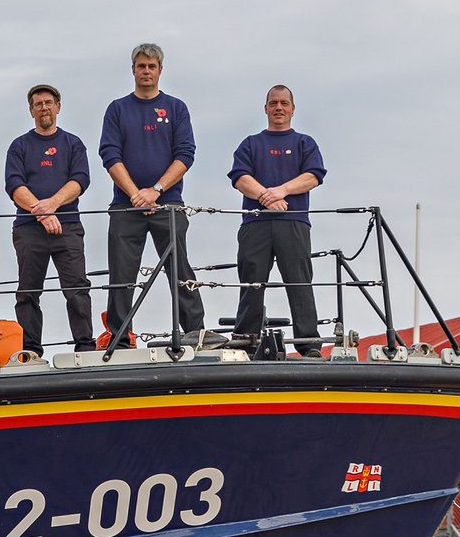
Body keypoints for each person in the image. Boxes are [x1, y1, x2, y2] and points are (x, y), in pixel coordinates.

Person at [97, 42, 204, 346]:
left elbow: (185, 154)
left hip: (168, 203)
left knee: (179, 267)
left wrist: (155, 190)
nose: (146, 71)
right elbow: (109, 154)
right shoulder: (118, 109)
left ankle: (196, 330)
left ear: (160, 70)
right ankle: (119, 334)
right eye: (141, 66)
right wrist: (135, 195)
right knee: (121, 272)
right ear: (133, 70)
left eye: (151, 66)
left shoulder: (175, 108)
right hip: (125, 205)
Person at [228, 84, 328, 354]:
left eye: (284, 103)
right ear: (265, 108)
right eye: (274, 103)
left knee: (299, 282)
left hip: (294, 223)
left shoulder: (304, 143)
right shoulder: (250, 144)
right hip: (255, 224)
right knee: (252, 283)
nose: (279, 108)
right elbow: (239, 178)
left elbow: (314, 176)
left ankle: (309, 344)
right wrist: (266, 197)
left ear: (293, 108)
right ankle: (246, 342)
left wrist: (280, 191)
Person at [5, 82, 96, 355]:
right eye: (38, 104)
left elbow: (81, 180)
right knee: (28, 292)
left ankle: (85, 348)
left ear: (58, 107)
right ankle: (30, 350)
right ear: (31, 111)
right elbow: (13, 185)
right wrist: (42, 213)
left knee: (77, 288)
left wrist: (53, 205)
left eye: (48, 103)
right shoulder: (19, 146)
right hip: (28, 229)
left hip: (67, 226)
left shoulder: (73, 144)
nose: (44, 108)